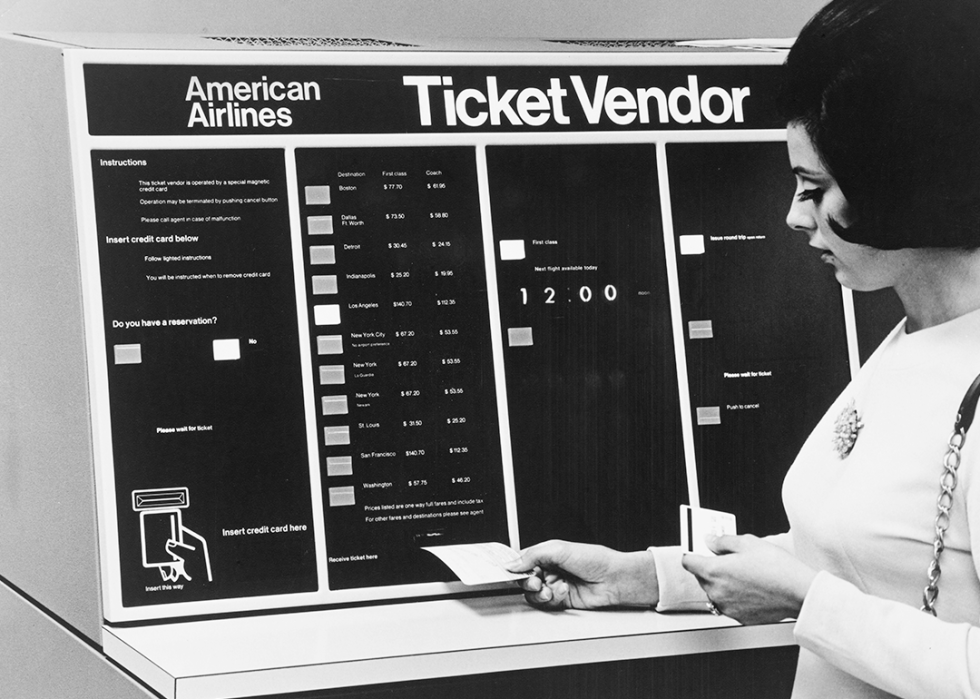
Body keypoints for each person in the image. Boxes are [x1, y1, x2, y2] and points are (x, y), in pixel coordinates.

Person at [504, 0, 980, 696]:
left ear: (903, 182)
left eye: (815, 189)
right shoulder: (913, 337)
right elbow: (861, 554)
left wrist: (806, 604)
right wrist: (646, 575)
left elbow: (827, 591)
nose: (793, 215)